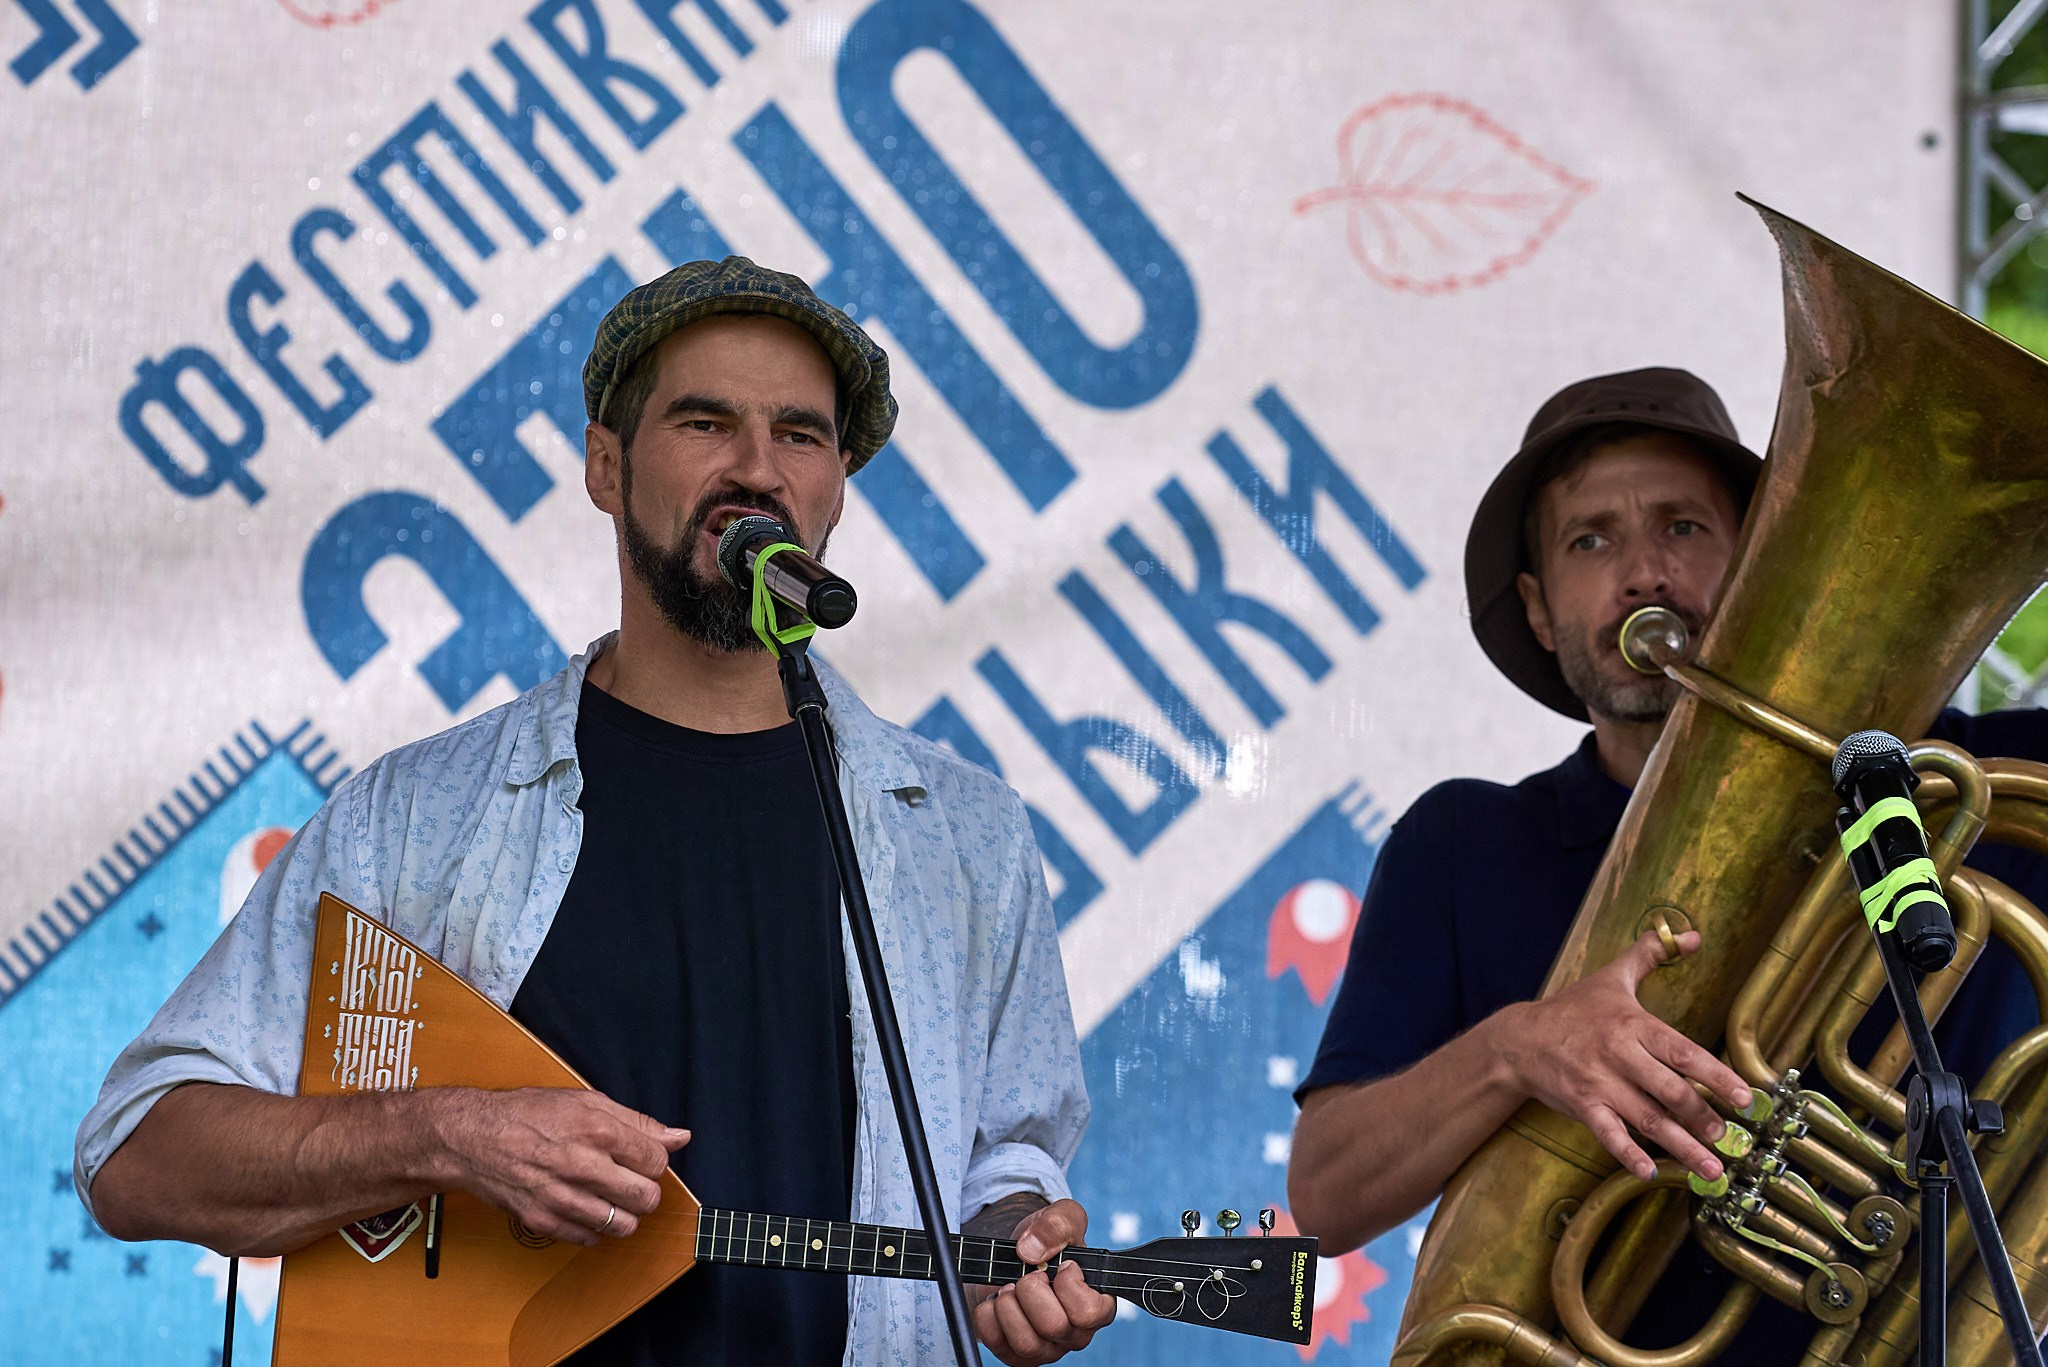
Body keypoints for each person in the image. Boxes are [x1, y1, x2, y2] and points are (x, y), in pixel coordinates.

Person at [75, 258, 1115, 1367]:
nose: (758, 468)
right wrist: (442, 1132)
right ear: (605, 465)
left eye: (801, 435)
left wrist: (1012, 1249)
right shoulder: (416, 816)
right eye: (706, 422)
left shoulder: (968, 837)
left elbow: (1005, 1165)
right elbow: (138, 1151)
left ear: (838, 484)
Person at [1286, 367, 2048, 1358]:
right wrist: (1517, 1046)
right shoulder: (1464, 844)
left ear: (1760, 565)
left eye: (1683, 526)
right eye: (1588, 539)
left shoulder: (1967, 786)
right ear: (1538, 609)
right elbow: (1326, 1195)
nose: (1643, 572)